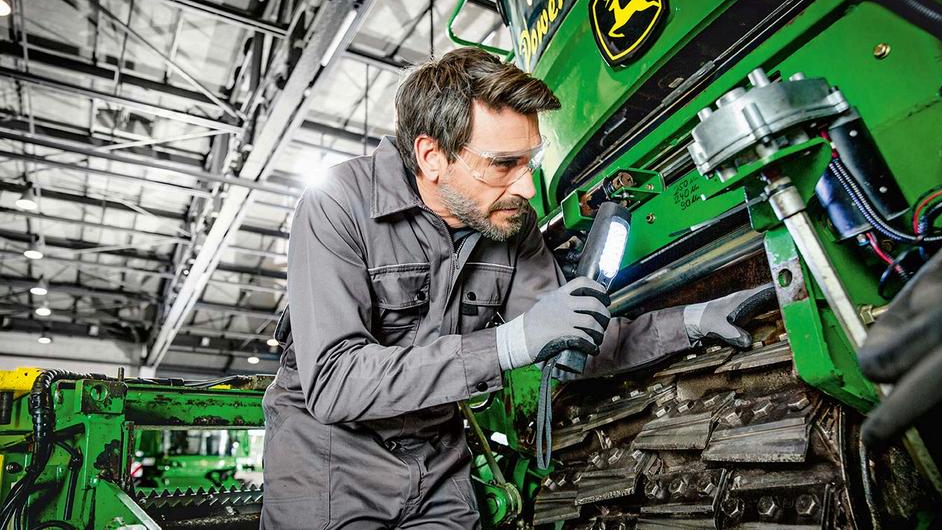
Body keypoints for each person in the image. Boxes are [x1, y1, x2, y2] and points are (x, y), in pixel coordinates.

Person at [260, 48, 771, 529]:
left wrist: (690, 322)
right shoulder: (337, 205)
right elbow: (335, 383)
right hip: (332, 461)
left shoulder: (511, 223)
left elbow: (567, 341)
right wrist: (509, 344)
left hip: (438, 463)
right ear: (431, 155)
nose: (526, 188)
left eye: (530, 161)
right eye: (503, 164)